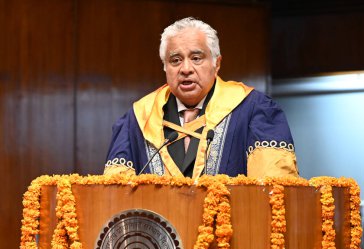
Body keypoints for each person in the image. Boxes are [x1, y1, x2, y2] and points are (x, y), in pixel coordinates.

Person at [104, 17, 298, 178]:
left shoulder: (254, 110)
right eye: (175, 60)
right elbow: (116, 197)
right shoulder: (138, 119)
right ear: (165, 66)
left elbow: (273, 192)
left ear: (217, 63)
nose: (186, 69)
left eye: (196, 58)